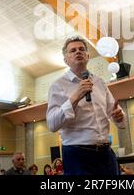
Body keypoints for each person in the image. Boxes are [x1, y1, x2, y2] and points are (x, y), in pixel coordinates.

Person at [46, 36, 126, 175]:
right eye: (73, 50)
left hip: (105, 153)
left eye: (82, 49)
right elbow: (52, 123)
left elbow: (114, 111)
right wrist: (75, 97)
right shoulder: (58, 85)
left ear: (88, 56)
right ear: (66, 60)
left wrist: (119, 116)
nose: (78, 52)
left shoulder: (99, 82)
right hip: (77, 156)